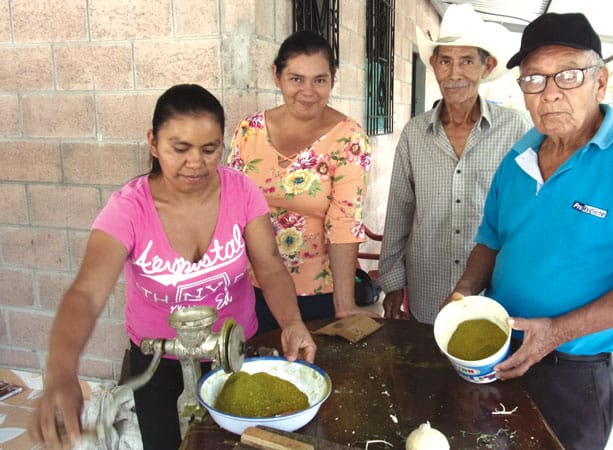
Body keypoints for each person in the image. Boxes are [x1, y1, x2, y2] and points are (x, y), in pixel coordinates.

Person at [446, 12, 613, 450]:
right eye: (534, 80)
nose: (550, 94)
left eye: (569, 75)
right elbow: (490, 239)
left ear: (601, 82)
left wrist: (556, 331)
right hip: (498, 354)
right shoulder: (517, 158)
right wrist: (465, 293)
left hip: (574, 371)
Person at [30, 84, 317, 450]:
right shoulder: (129, 209)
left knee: (236, 442)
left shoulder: (241, 192)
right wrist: (60, 371)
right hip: (155, 354)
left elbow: (271, 266)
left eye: (209, 149)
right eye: (179, 148)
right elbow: (86, 293)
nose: (195, 162)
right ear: (153, 143)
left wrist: (292, 322)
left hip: (233, 347)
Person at [378, 3, 531, 323]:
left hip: (494, 290)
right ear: (433, 65)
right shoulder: (415, 134)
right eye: (445, 61)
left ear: (486, 67)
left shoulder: (516, 129)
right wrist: (392, 282)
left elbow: (529, 209)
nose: (454, 73)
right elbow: (399, 210)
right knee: (424, 369)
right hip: (426, 289)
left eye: (466, 61)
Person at [227, 30, 379, 334]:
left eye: (319, 80)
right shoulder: (249, 130)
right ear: (277, 75)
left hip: (316, 294)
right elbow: (231, 203)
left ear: (333, 79)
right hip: (252, 285)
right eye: (296, 78)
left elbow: (344, 223)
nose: (308, 91)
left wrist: (344, 304)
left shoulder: (348, 138)